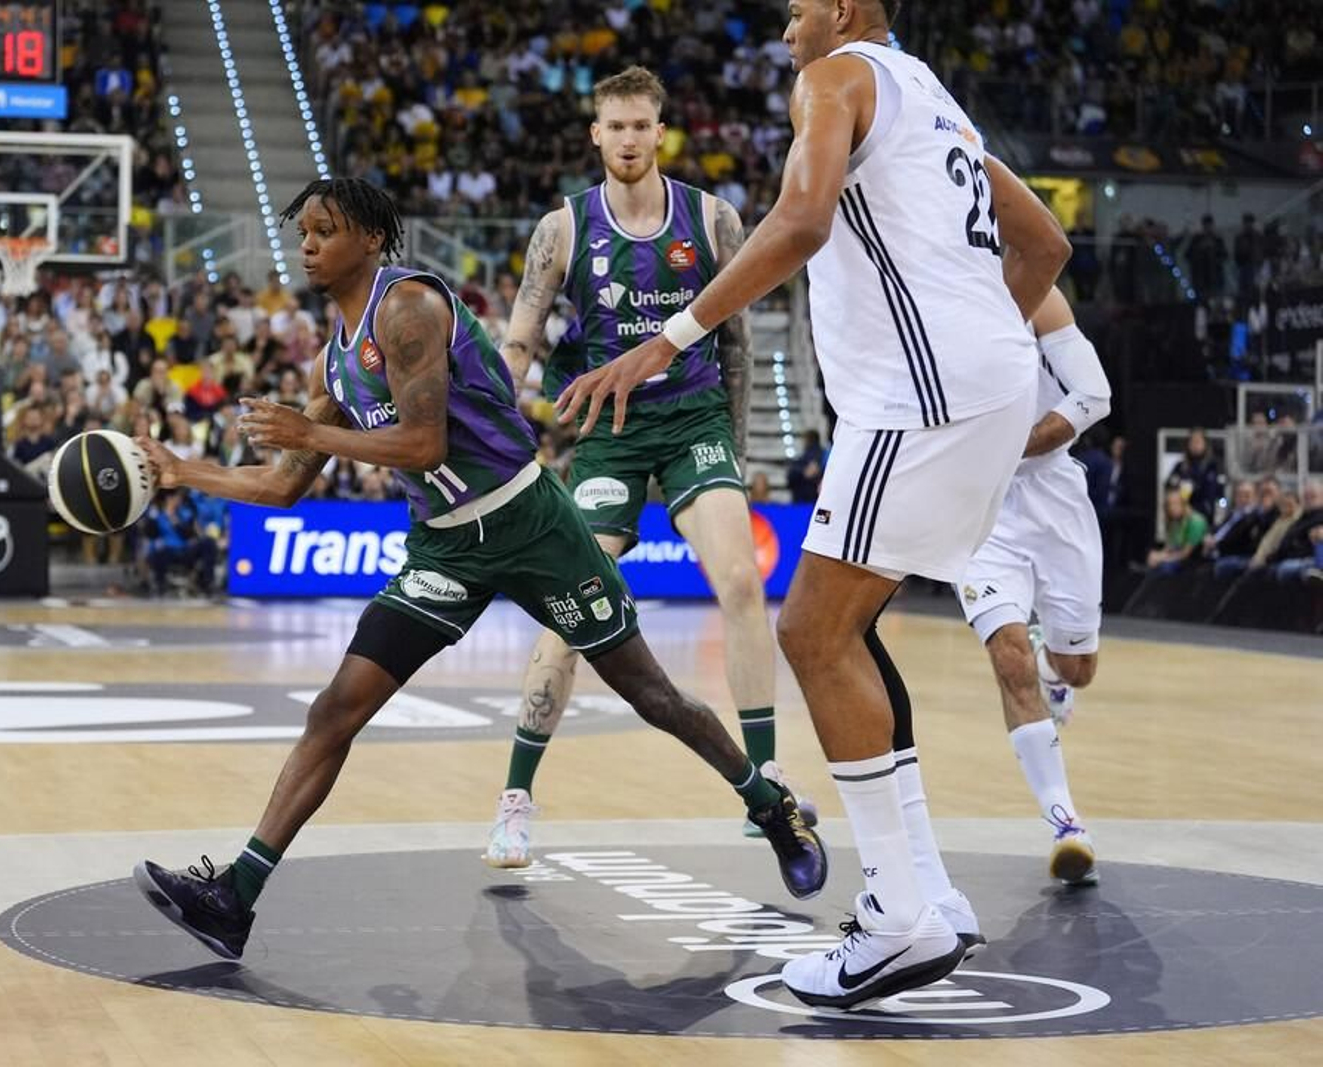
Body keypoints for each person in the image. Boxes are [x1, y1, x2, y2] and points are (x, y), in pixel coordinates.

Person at [131, 178, 826, 960]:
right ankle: (236, 895)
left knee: (652, 693)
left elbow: (423, 444)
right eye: (305, 233)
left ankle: (770, 806)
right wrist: (183, 472)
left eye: (325, 230)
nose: (308, 244)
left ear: (369, 239)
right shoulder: (337, 352)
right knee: (336, 708)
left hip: (531, 523)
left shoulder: (408, 310)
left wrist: (311, 433)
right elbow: (283, 486)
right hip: (446, 548)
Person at [557, 0, 1070, 1009]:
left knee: (812, 632)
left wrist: (670, 337)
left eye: (795, 6)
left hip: (924, 396)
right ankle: (928, 891)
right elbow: (1046, 246)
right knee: (852, 634)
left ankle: (895, 917)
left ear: (839, 9)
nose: (783, 22)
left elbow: (800, 218)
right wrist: (977, 339)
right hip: (992, 383)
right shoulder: (937, 100)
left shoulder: (833, 75)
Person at [484, 66, 810, 868]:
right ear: (595, 134)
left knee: (740, 582)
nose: (628, 139)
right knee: (574, 609)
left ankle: (763, 771)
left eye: (640, 125)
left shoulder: (713, 218)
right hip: (609, 431)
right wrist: (494, 432)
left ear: (658, 132)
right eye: (615, 126)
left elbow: (734, 340)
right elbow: (521, 337)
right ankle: (515, 799)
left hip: (694, 418)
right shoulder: (562, 228)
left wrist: (730, 442)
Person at [954, 290, 1109, 890]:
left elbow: (1094, 396)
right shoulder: (934, 300)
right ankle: (1066, 824)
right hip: (982, 507)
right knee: (1007, 655)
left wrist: (1009, 444)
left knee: (1077, 669)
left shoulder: (1041, 300)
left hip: (1056, 497)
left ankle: (1055, 668)